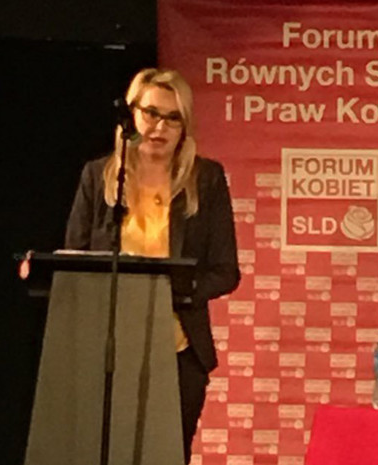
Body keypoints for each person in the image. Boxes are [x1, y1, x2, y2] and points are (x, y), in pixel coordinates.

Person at [64, 68, 241, 464]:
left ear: (185, 126)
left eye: (173, 118)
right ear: (132, 115)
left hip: (177, 351)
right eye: (151, 114)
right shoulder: (99, 176)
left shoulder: (206, 180)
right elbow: (76, 261)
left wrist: (169, 290)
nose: (160, 127)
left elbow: (225, 272)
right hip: (108, 352)